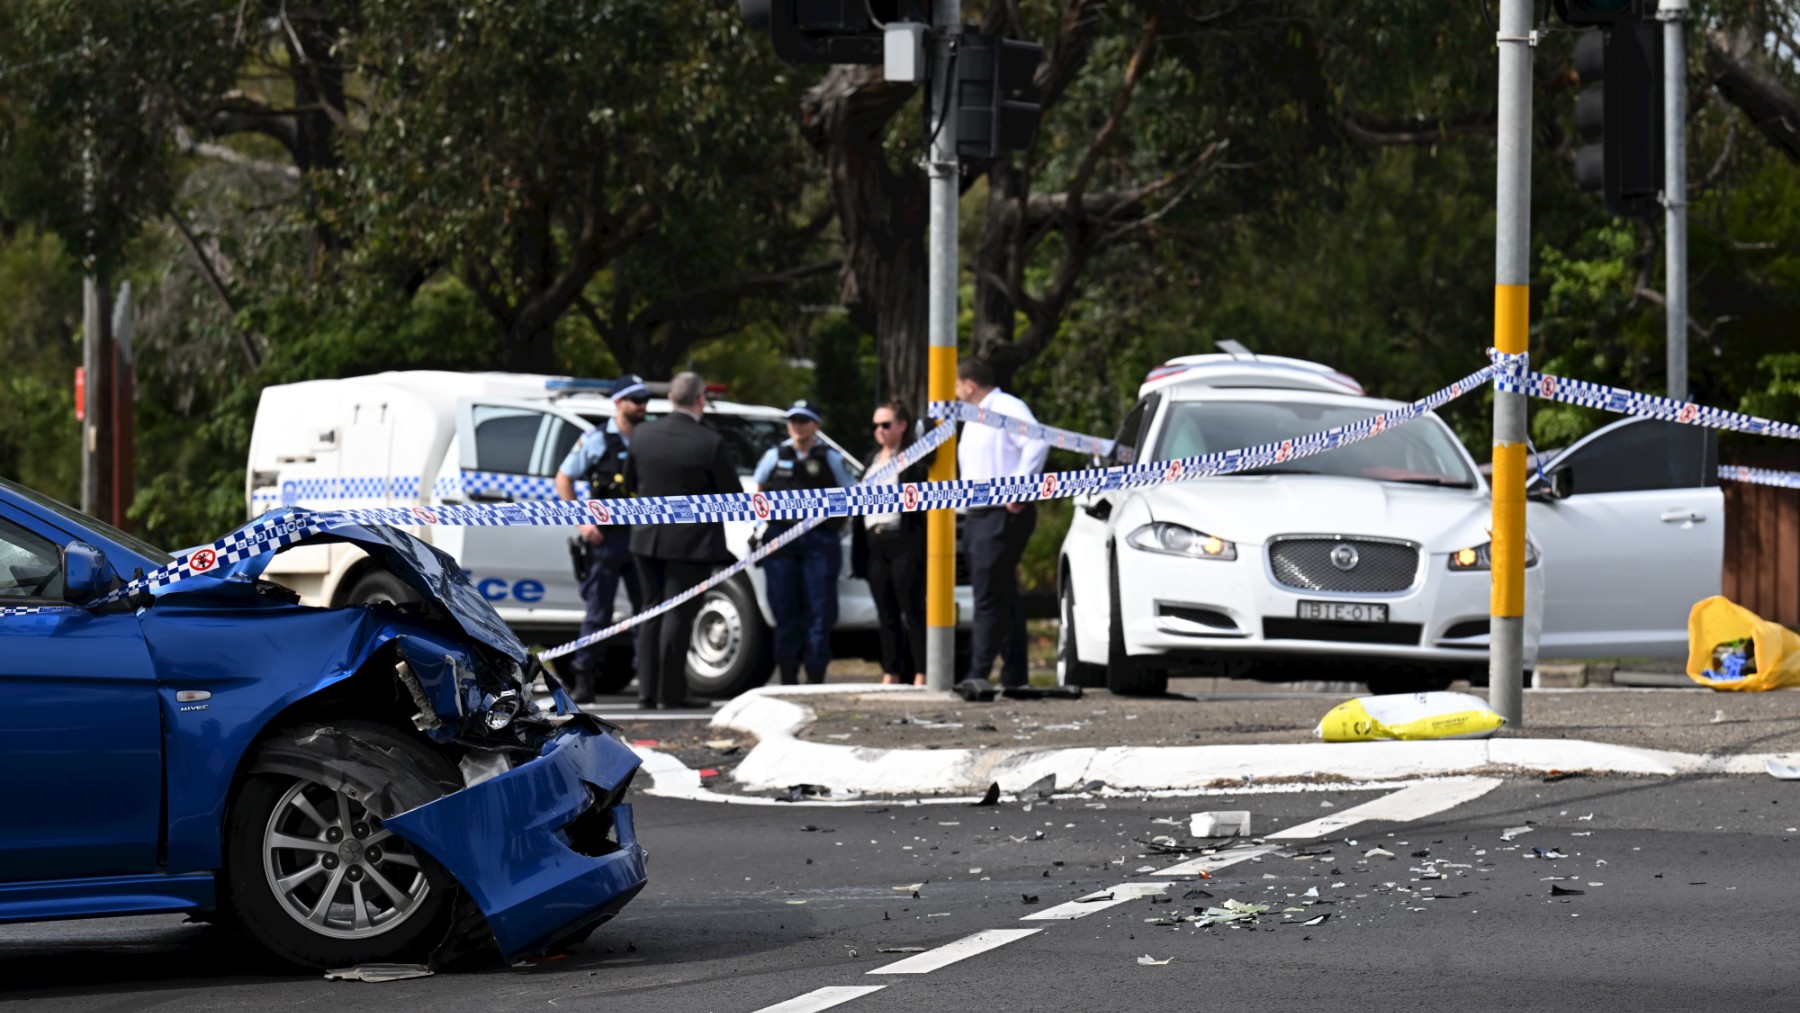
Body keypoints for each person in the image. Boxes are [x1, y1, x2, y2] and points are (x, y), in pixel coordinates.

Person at [624, 372, 739, 710]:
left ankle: (648, 691)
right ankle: (671, 693)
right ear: (700, 399)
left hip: (645, 539)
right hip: (691, 543)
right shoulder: (710, 442)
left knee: (649, 611)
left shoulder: (642, 435)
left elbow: (630, 482)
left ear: (671, 398)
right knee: (678, 614)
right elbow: (732, 496)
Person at [553, 374, 651, 702]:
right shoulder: (596, 439)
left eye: (644, 400)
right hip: (606, 540)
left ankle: (648, 682)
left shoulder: (649, 436)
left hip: (641, 536)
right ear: (619, 402)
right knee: (599, 613)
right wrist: (582, 522)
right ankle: (584, 680)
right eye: (636, 400)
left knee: (645, 610)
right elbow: (563, 479)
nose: (643, 406)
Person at [956, 357, 1048, 688]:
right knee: (1004, 595)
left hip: (1001, 513)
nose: (954, 392)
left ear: (969, 385)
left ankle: (977, 674)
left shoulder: (1006, 407)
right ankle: (1014, 676)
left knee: (987, 597)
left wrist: (1020, 489)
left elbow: (1037, 440)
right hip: (980, 515)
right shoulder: (976, 416)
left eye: (956, 384)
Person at [752, 399, 854, 684]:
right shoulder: (774, 455)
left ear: (816, 425)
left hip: (819, 542)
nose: (798, 426)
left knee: (819, 611)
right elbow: (758, 489)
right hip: (781, 540)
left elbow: (851, 494)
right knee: (785, 610)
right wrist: (763, 525)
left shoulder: (829, 457)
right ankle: (787, 675)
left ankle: (816, 675)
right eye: (793, 420)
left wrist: (836, 525)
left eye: (804, 421)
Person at [851, 399, 932, 686]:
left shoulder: (912, 458)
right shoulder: (871, 461)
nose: (880, 431)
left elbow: (926, 478)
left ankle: (922, 672)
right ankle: (892, 671)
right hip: (875, 543)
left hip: (903, 540)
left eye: (886, 424)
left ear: (902, 425)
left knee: (913, 610)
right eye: (875, 425)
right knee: (885, 614)